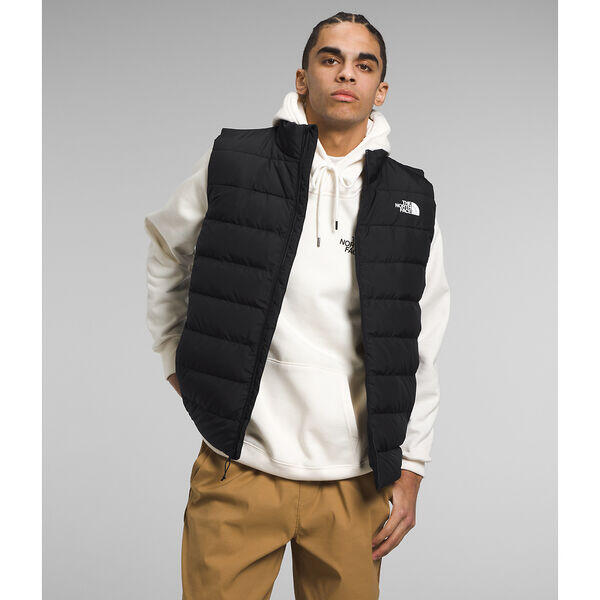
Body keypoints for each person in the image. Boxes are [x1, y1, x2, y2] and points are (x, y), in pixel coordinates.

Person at [144, 11, 450, 600]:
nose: (347, 74)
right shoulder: (234, 162)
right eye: (330, 59)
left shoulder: (411, 198)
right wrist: (173, 357)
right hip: (240, 466)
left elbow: (422, 341)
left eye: (364, 65)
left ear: (380, 89)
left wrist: (412, 466)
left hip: (355, 483)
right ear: (303, 78)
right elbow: (167, 246)